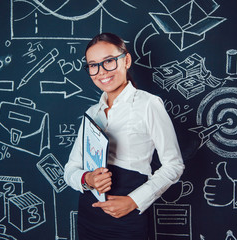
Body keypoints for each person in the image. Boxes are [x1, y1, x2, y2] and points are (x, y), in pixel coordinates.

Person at [63, 32, 185, 240]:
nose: (101, 72)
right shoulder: (92, 113)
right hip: (89, 213)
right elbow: (70, 170)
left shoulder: (149, 104)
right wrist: (88, 178)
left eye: (109, 61)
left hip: (128, 214)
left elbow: (174, 165)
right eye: (93, 65)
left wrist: (134, 201)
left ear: (126, 60)